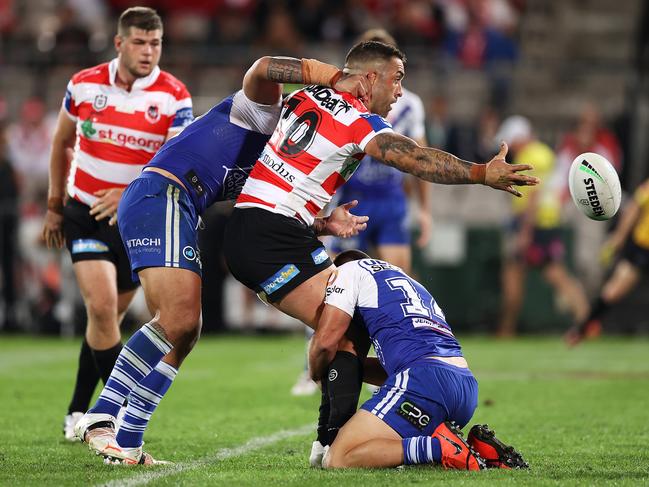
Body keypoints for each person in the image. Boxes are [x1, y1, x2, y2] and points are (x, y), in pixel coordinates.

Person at [223, 40, 538, 448]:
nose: (401, 92)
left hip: (266, 227)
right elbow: (414, 158)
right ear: (370, 79)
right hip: (270, 235)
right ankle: (338, 437)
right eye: (398, 79)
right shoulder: (358, 120)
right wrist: (479, 172)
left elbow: (263, 66)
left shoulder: (306, 95)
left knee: (349, 322)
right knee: (346, 322)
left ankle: (344, 427)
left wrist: (320, 222)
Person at [73, 56, 371, 465]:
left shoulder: (287, 153)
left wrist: (323, 223)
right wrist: (338, 77)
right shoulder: (264, 110)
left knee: (187, 330)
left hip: (178, 205)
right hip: (164, 192)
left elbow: (268, 209)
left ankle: (127, 440)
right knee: (176, 319)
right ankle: (101, 415)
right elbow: (264, 67)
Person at [41, 7, 193, 441]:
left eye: (156, 43)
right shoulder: (84, 84)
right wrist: (55, 204)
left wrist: (126, 191)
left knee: (106, 320)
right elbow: (62, 142)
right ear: (120, 43)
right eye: (141, 43)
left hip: (134, 218)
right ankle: (114, 414)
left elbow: (173, 161)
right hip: (85, 211)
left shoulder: (173, 95)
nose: (149, 52)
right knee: (103, 307)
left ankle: (76, 410)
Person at [291, 28, 432, 397]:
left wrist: (425, 211)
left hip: (390, 200)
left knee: (397, 283)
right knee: (332, 282)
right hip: (353, 199)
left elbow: (421, 155)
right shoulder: (343, 100)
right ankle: (315, 363)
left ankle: (387, 364)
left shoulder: (410, 104)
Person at [308, 250, 528, 470]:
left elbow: (326, 341)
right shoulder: (410, 282)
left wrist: (316, 371)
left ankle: (440, 447)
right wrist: (352, 368)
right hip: (463, 388)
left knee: (339, 458)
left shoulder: (347, 270)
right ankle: (480, 450)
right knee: (390, 451)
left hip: (423, 382)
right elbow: (401, 365)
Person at [496, 116, 589, 337]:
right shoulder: (544, 152)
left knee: (537, 275)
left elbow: (534, 195)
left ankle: (585, 319)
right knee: (529, 273)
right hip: (545, 222)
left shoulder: (531, 155)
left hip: (535, 224)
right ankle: (586, 320)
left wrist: (525, 231)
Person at [565, 178, 649, 346]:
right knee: (613, 292)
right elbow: (634, 207)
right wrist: (618, 238)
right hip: (643, 247)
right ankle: (581, 330)